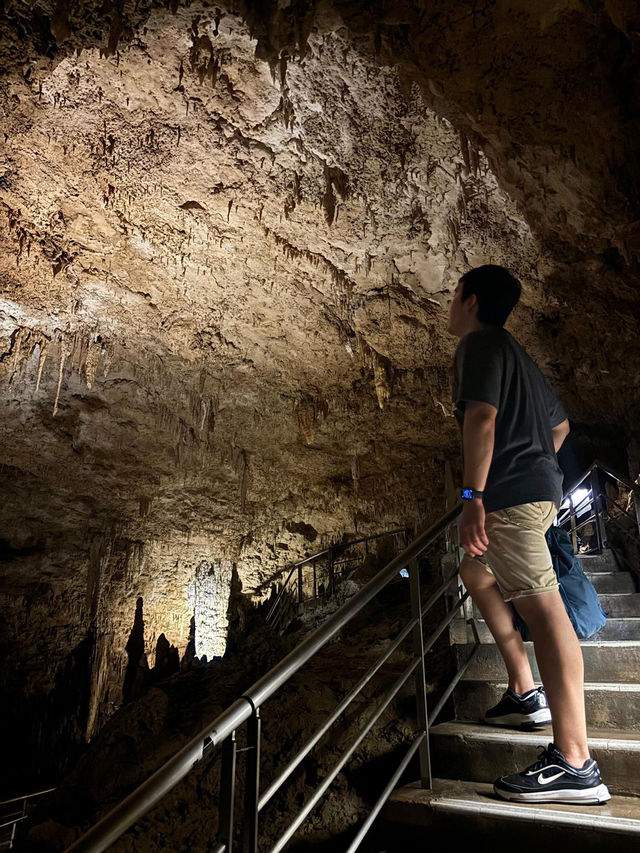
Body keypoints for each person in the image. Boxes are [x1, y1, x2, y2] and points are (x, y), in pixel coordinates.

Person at [447, 264, 610, 804]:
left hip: (510, 498)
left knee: (545, 611)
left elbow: (482, 419)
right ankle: (523, 689)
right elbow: (559, 429)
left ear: (470, 301)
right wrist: (539, 467)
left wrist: (474, 496)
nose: (451, 306)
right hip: (540, 493)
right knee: (474, 569)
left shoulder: (479, 345)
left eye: (454, 296)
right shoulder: (523, 361)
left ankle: (575, 759)